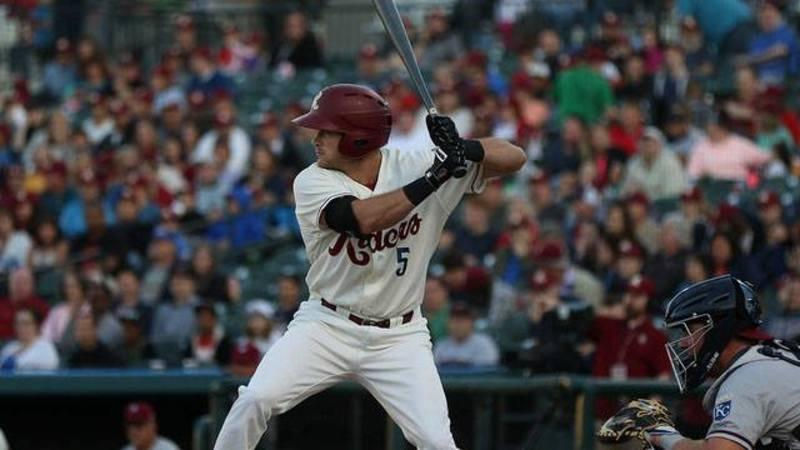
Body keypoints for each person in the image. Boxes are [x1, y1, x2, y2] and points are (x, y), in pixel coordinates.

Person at [213, 83, 525, 449]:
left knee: (437, 442)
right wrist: (434, 178)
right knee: (255, 400)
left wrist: (466, 148)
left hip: (400, 336)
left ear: (358, 139)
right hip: (327, 324)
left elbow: (515, 157)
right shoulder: (312, 180)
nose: (315, 137)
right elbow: (361, 218)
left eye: (327, 130)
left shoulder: (417, 164)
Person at [644, 274, 800, 450]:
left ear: (718, 330)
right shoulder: (775, 354)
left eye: (690, 330)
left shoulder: (747, 378)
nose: (682, 342)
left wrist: (664, 437)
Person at [433, 302, 499, 367]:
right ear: (448, 323)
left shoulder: (485, 343)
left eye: (463, 320)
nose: (459, 325)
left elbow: (489, 370)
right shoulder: (441, 346)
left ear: (472, 323)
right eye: (455, 320)